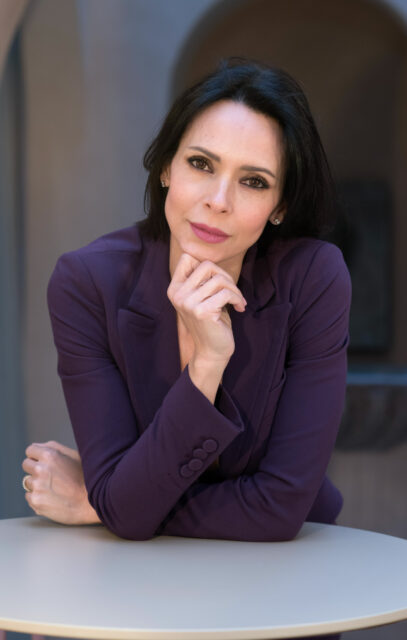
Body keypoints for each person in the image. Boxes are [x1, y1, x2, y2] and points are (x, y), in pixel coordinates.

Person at [22, 57, 351, 546]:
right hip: (137, 576)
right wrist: (208, 364)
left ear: (280, 206)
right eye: (201, 164)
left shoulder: (313, 278)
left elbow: (281, 507)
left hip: (288, 573)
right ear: (165, 168)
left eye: (253, 181)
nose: (218, 200)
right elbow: (126, 510)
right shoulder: (87, 284)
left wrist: (101, 503)